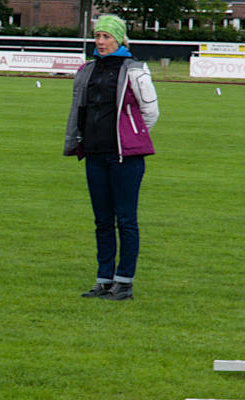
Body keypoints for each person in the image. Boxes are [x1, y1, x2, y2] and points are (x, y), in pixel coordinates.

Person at [64, 14, 158, 301]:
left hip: (125, 157)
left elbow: (150, 113)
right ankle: (103, 279)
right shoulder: (87, 70)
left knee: (126, 219)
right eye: (98, 36)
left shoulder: (135, 70)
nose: (100, 42)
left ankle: (124, 282)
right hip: (94, 153)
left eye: (106, 37)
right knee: (102, 220)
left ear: (119, 39)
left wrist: (129, 137)